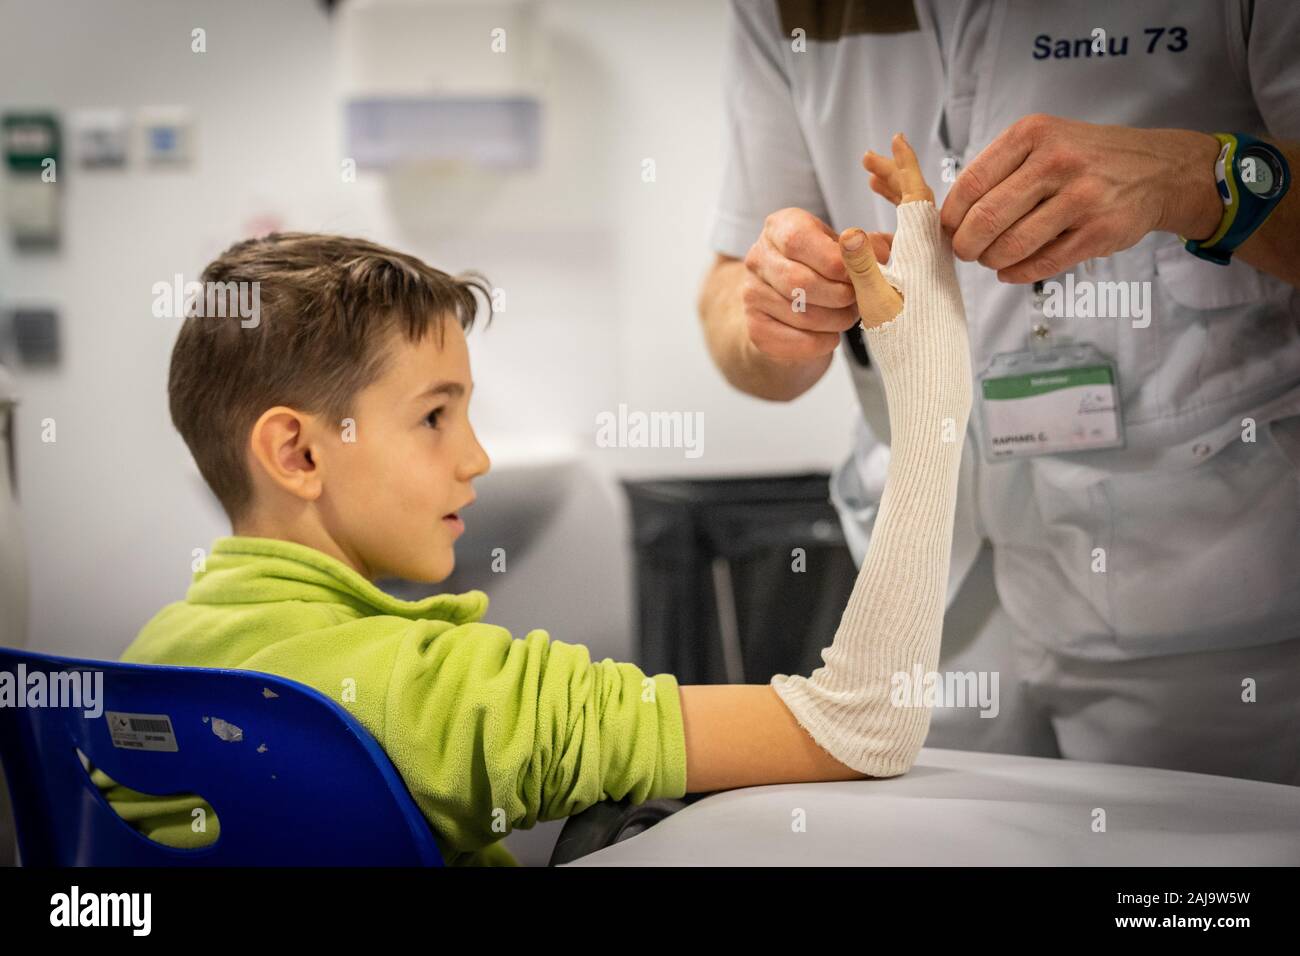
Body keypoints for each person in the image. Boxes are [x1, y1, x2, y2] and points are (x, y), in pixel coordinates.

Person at [95, 141, 976, 865]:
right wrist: (933, 395)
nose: (474, 457)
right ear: (296, 452)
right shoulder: (453, 695)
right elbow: (864, 726)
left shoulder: (130, 679)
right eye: (435, 415)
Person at [699, 0, 1300, 783]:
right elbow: (726, 297)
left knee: (1185, 895)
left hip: (1209, 613)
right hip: (925, 617)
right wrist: (771, 318)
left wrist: (1197, 182)